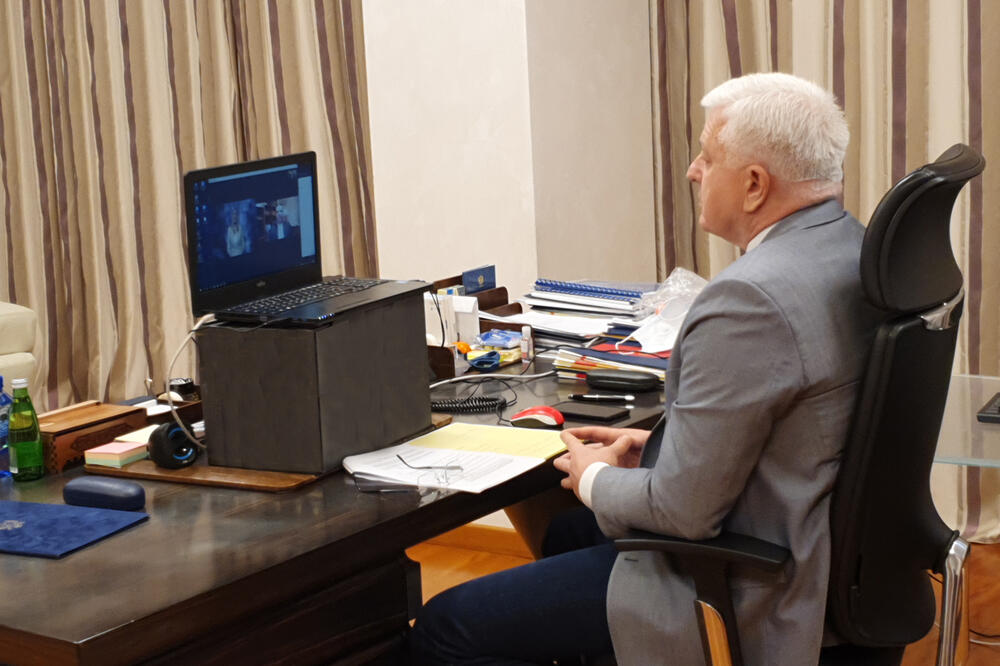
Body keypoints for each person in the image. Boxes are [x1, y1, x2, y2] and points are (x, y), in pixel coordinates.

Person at [409, 72, 886, 665]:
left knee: (445, 628)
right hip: (822, 554)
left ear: (755, 185)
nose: (693, 170)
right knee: (565, 533)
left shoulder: (751, 299)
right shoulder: (851, 248)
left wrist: (592, 476)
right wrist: (659, 447)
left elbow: (684, 512)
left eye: (708, 157)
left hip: (748, 585)